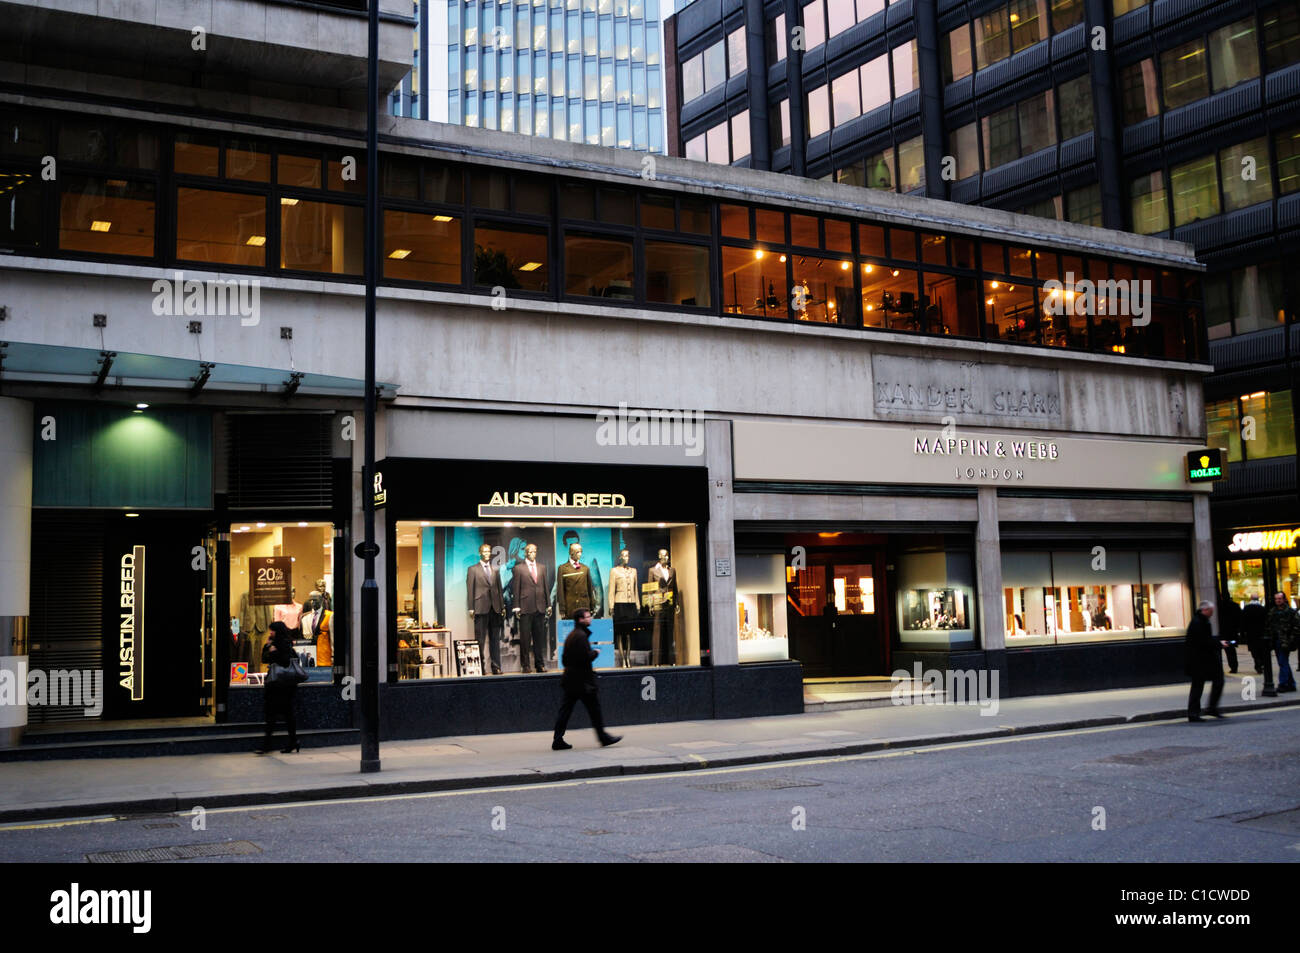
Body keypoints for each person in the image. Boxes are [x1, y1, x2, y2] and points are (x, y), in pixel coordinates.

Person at [552, 609, 621, 750]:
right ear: (580, 620)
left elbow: (565, 659)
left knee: (566, 711)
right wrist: (595, 652)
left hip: (572, 680)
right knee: (593, 710)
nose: (590, 619)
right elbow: (585, 658)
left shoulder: (573, 635)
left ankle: (558, 739)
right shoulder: (580, 636)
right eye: (587, 617)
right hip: (582, 682)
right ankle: (603, 737)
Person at [257, 621, 300, 753]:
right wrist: (268, 647)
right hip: (276, 684)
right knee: (279, 714)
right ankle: (290, 742)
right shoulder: (273, 644)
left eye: (272, 631)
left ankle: (270, 744)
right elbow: (264, 659)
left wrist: (274, 652)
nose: (270, 633)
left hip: (282, 685)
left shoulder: (285, 644)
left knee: (280, 714)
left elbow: (285, 661)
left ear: (278, 631)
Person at [1185, 600, 1228, 722]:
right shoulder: (1198, 622)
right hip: (1199, 660)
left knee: (1216, 681)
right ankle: (1194, 713)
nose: (1212, 613)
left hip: (1204, 659)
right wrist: (1219, 643)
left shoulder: (1201, 620)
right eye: (1211, 611)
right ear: (1205, 610)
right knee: (1198, 685)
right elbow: (1204, 641)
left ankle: (1210, 708)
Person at [1265, 592, 1300, 693]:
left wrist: (1291, 640)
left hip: (1285, 642)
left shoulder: (1291, 612)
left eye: (1280, 599)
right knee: (1283, 662)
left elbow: (1297, 627)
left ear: (1284, 599)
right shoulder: (1272, 611)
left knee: (1282, 662)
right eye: (1276, 599)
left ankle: (1283, 684)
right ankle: (1292, 684)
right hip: (1275, 641)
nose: (1278, 601)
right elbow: (1269, 625)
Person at [1241, 593, 1273, 693]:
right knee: (1261, 649)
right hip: (1261, 633)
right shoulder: (1262, 609)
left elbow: (1243, 621)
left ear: (1250, 598)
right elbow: (1267, 621)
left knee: (1254, 650)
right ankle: (1261, 663)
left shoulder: (1246, 609)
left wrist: (1243, 632)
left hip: (1251, 633)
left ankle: (1257, 664)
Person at [1217, 593, 1242, 674]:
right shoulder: (1235, 605)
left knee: (1224, 649)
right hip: (1232, 633)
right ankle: (1234, 667)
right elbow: (1239, 618)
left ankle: (1230, 667)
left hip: (1223, 633)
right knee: (1231, 649)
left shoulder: (1219, 606)